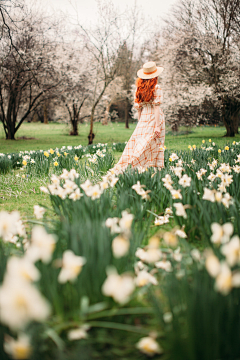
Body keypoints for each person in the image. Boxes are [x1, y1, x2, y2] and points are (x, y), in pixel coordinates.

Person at [112, 61, 165, 174]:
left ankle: (140, 167)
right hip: (154, 117)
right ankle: (137, 165)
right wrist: (157, 126)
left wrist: (140, 122)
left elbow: (138, 108)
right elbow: (156, 108)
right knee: (153, 142)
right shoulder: (157, 87)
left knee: (139, 142)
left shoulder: (139, 88)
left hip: (144, 118)